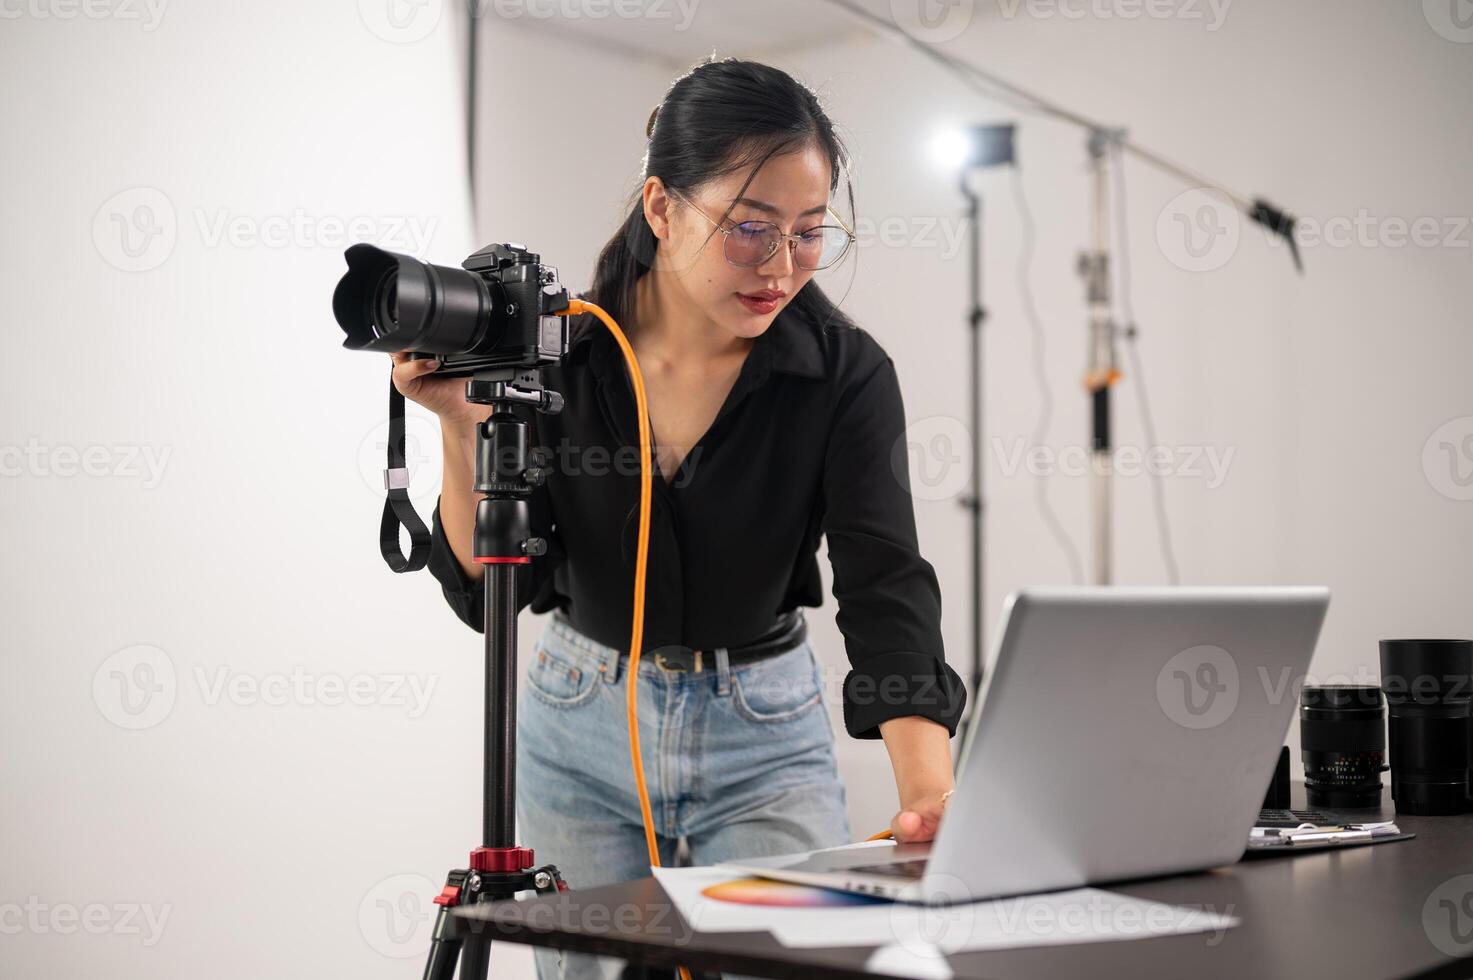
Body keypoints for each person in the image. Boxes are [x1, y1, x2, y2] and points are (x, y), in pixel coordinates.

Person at [394, 57, 967, 980]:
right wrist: (462, 435)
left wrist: (929, 795)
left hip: (763, 735)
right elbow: (487, 590)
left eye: (810, 233)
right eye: (749, 230)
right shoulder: (565, 354)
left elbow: (884, 584)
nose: (780, 266)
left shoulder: (844, 375)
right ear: (662, 208)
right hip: (575, 729)